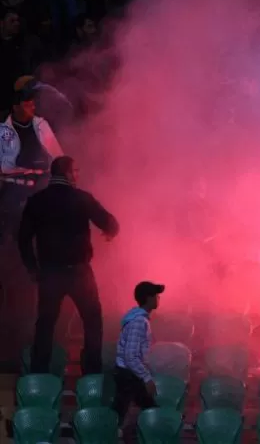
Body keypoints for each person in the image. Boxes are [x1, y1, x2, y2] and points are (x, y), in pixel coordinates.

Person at [19, 156, 118, 376]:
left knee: (45, 325)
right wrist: (110, 232)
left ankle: (38, 374)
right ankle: (91, 373)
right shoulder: (82, 198)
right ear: (67, 173)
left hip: (49, 273)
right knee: (92, 321)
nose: (78, 174)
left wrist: (32, 269)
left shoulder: (37, 201)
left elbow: (23, 239)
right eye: (76, 170)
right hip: (79, 272)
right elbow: (110, 222)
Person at [0, 77, 64, 237]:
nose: (33, 106)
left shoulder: (41, 125)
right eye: (28, 103)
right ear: (15, 106)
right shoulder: (2, 128)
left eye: (33, 102)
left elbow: (59, 159)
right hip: (10, 194)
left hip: (40, 191)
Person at [112, 281, 164, 422]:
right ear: (148, 298)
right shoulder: (139, 322)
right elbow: (130, 356)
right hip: (128, 375)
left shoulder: (138, 319)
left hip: (129, 374)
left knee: (142, 406)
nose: (158, 299)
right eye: (156, 296)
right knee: (122, 412)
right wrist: (146, 377)